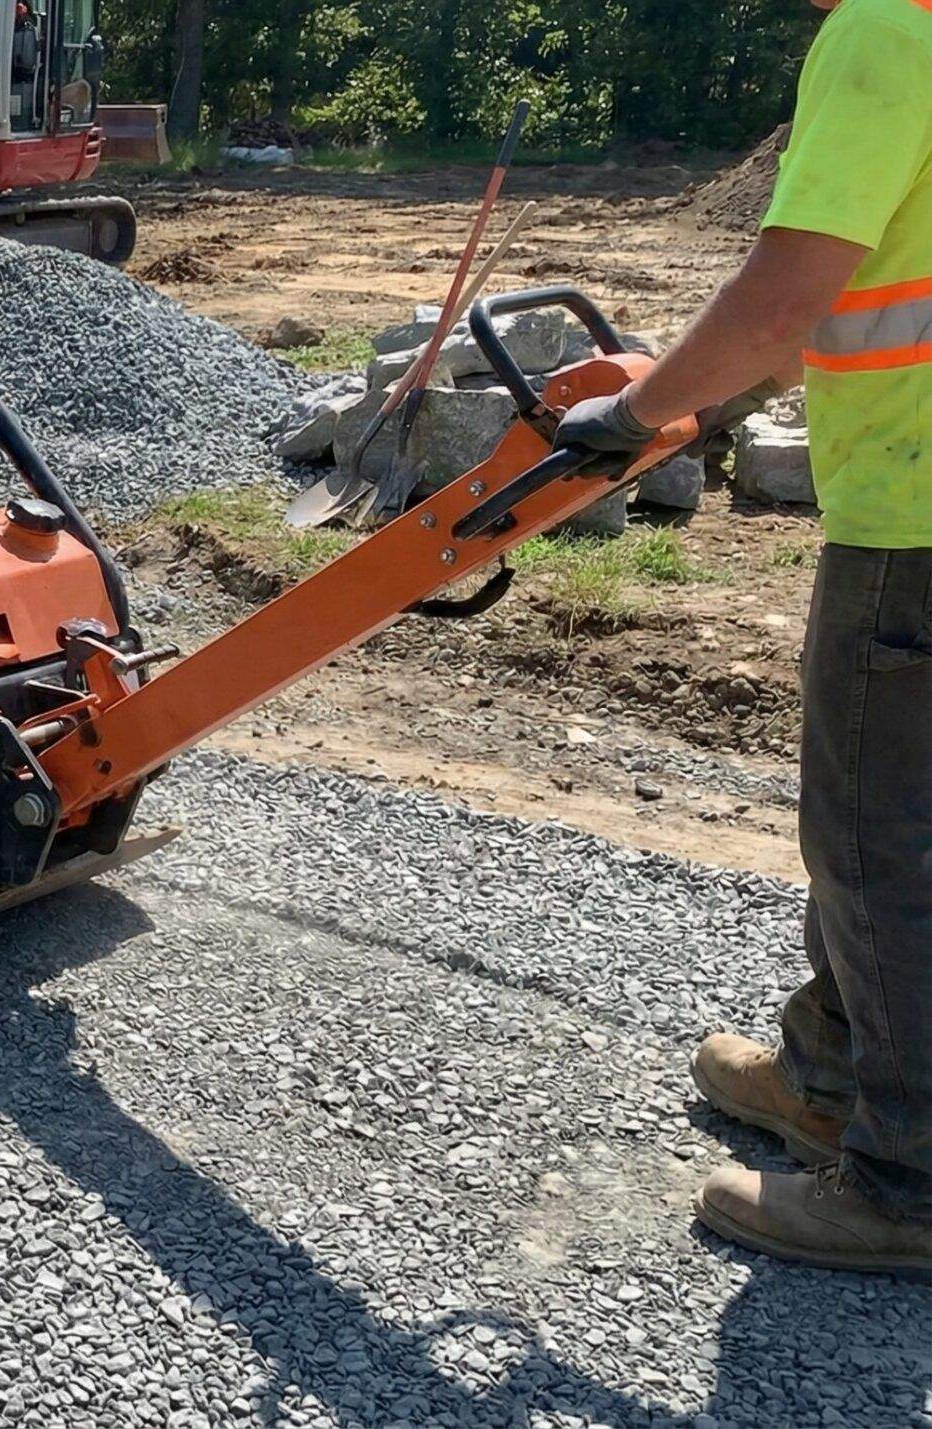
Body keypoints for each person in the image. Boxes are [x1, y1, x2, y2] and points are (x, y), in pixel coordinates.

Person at [556, 0, 932, 1273]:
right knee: (895, 820)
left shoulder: (890, 30)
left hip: (918, 520)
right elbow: (880, 285)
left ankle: (906, 1181)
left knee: (879, 842)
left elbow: (788, 296)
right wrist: (705, 391)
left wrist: (637, 411)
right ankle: (827, 1073)